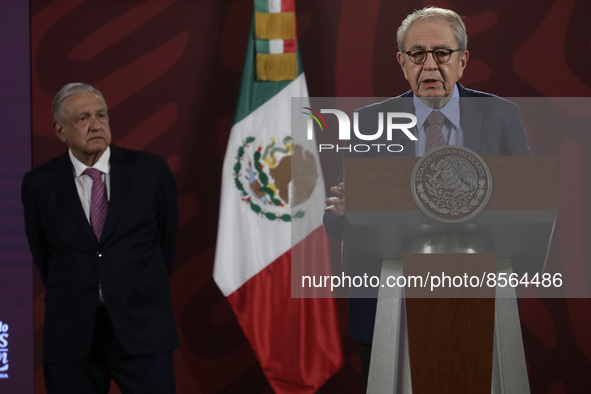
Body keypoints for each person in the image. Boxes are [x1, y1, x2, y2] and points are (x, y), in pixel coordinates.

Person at [322, 7, 531, 389]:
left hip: (483, 293)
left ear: (463, 60)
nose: (430, 65)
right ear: (402, 63)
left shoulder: (501, 116)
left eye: (442, 53)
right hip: (389, 299)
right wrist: (345, 211)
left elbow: (532, 202)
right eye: (417, 54)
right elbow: (336, 221)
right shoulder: (371, 123)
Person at [22, 83, 180, 394]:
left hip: (142, 329)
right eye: (82, 118)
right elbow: (44, 256)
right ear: (60, 130)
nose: (96, 125)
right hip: (71, 336)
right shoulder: (39, 185)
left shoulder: (150, 171)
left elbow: (167, 243)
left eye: (101, 115)